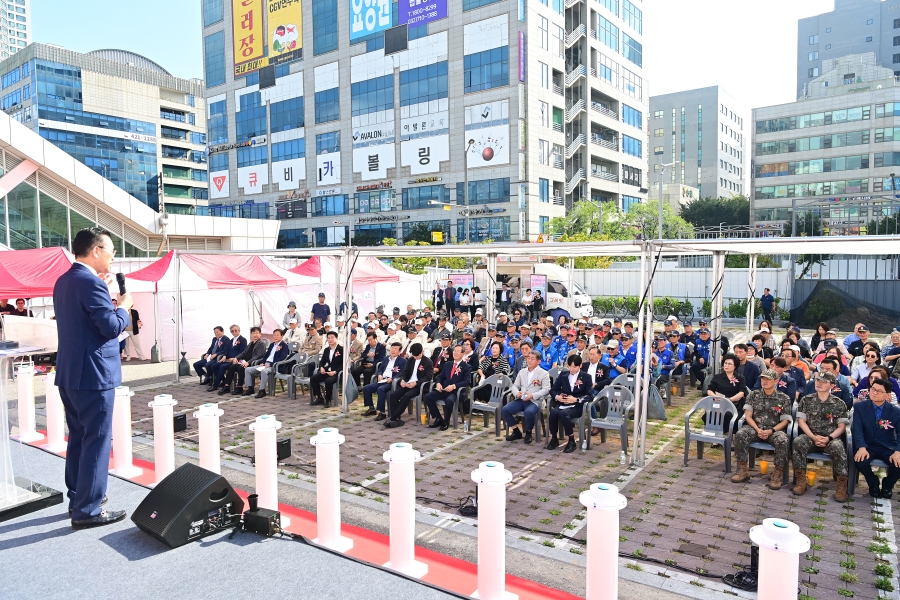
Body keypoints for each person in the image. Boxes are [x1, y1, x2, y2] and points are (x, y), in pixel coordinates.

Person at [53, 227, 131, 528]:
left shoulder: (65, 280)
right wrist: (123, 307)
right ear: (96, 250)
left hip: (71, 373)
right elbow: (110, 327)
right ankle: (88, 509)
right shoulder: (91, 285)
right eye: (110, 250)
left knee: (79, 438)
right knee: (96, 441)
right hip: (94, 376)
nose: (113, 256)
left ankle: (78, 496)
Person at [792, 371, 849, 501]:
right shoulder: (806, 400)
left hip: (831, 438)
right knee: (798, 442)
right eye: (817, 380)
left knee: (839, 448)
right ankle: (801, 481)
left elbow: (842, 427)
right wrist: (813, 437)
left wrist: (828, 438)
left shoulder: (839, 403)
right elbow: (801, 422)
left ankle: (841, 486)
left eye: (823, 382)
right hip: (811, 436)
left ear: (832, 385)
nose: (819, 383)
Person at [731, 368, 792, 489]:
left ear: (776, 381)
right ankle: (743, 470)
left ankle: (777, 474)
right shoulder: (754, 395)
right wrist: (758, 430)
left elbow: (785, 420)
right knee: (740, 434)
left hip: (774, 430)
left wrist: (771, 431)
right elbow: (748, 416)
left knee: (783, 440)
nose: (764, 381)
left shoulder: (784, 398)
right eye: (763, 378)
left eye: (768, 379)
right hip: (755, 427)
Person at [852, 378, 900, 499]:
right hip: (868, 445)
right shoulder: (860, 407)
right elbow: (857, 428)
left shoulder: (895, 411)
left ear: (887, 394)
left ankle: (887, 485)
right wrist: (861, 447)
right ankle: (873, 483)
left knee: (898, 464)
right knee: (860, 461)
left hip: (887, 445)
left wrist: (897, 451)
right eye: (873, 389)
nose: (874, 392)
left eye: (879, 391)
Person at [501, 352, 551, 444]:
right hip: (521, 399)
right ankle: (516, 431)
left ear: (538, 361)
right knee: (505, 410)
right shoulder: (522, 371)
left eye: (532, 359)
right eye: (529, 358)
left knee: (529, 412)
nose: (529, 360)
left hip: (534, 401)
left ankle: (528, 433)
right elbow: (514, 386)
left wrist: (533, 395)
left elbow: (546, 389)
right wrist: (517, 393)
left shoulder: (544, 373)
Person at [546, 355, 592, 453]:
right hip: (563, 402)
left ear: (580, 366)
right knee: (553, 414)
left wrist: (576, 399)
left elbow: (590, 395)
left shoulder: (586, 377)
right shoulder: (563, 375)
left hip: (577, 405)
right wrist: (557, 397)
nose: (572, 369)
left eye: (574, 367)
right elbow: (553, 390)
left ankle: (571, 440)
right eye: (570, 366)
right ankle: (554, 438)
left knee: (563, 414)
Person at [423, 344, 472, 431]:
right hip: (444, 389)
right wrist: (438, 383)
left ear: (462, 354)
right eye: (454, 351)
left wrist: (454, 386)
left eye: (458, 351)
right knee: (427, 397)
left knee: (449, 401)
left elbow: (467, 381)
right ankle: (438, 418)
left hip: (455, 391)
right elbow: (440, 376)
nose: (455, 353)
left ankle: (446, 422)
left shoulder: (466, 367)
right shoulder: (448, 364)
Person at [386, 343, 433, 427]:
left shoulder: (428, 362)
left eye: (417, 356)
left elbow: (428, 377)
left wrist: (416, 383)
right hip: (408, 383)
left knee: (406, 396)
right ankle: (396, 418)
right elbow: (405, 372)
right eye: (414, 355)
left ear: (422, 352)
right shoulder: (411, 360)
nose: (415, 357)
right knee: (394, 395)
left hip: (418, 386)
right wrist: (403, 380)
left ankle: (393, 418)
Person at [218, 327, 269, 396]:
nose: (255, 335)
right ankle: (227, 386)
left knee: (240, 368)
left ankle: (239, 387)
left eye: (257, 333)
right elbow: (243, 353)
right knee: (232, 367)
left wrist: (248, 362)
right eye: (253, 333)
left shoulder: (261, 344)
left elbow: (259, 356)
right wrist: (236, 358)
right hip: (245, 362)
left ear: (260, 334)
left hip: (254, 363)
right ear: (251, 334)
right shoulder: (251, 343)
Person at [362, 342, 406, 421]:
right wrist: (379, 374)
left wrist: (392, 378)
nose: (393, 350)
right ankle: (371, 408)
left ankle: (382, 412)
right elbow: (381, 368)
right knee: (366, 388)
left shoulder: (403, 361)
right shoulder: (386, 358)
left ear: (399, 352)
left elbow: (402, 373)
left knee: (381, 389)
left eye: (396, 349)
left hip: (392, 382)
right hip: (382, 380)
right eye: (392, 348)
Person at [241, 329, 288, 398]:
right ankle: (250, 389)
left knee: (264, 371)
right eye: (274, 335)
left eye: (278, 335)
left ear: (282, 336)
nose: (276, 337)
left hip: (275, 366)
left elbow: (282, 358)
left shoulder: (284, 345)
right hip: (266, 364)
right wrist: (263, 362)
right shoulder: (272, 345)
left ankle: (262, 390)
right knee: (248, 369)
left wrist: (271, 364)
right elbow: (266, 355)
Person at [707, 354, 746, 433]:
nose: (726, 365)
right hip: (719, 401)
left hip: (734, 403)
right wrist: (716, 397)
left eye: (729, 364)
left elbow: (742, 393)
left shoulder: (740, 377)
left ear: (735, 366)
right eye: (725, 363)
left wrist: (729, 400)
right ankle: (717, 433)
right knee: (712, 412)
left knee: (728, 414)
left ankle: (731, 434)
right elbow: (709, 390)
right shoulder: (718, 377)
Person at [207, 325, 248, 392]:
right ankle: (224, 381)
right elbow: (227, 350)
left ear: (239, 331)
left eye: (235, 330)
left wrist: (234, 358)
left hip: (236, 360)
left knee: (222, 367)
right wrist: (225, 356)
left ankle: (215, 385)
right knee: (214, 366)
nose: (234, 332)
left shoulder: (243, 340)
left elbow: (243, 352)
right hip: (228, 359)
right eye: (232, 331)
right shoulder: (231, 340)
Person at [311, 331, 343, 407]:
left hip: (337, 373)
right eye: (328, 338)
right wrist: (321, 367)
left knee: (328, 381)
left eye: (332, 338)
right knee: (313, 378)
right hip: (328, 371)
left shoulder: (341, 349)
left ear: (336, 338)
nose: (330, 340)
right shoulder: (326, 350)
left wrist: (335, 372)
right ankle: (319, 397)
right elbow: (322, 361)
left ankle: (328, 399)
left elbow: (343, 364)